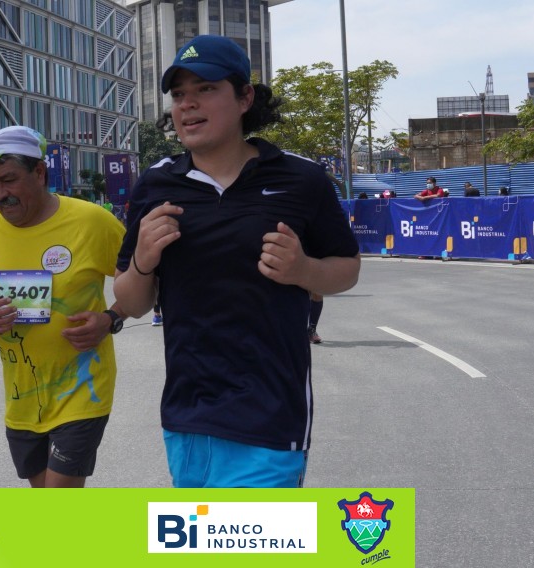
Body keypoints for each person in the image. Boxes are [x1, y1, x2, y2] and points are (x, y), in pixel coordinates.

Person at [112, 35, 361, 488]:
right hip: (187, 413)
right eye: (179, 94)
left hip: (270, 415)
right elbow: (131, 303)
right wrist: (143, 261)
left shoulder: (300, 178)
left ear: (245, 97)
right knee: (202, 532)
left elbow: (347, 267)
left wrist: (304, 271)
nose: (187, 104)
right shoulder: (156, 184)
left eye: (205, 88)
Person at [0, 125, 128, 488]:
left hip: (82, 391)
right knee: (47, 505)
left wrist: (111, 318)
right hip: (23, 400)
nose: (0, 193)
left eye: (9, 180)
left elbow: (144, 285)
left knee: (56, 504)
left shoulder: (92, 222)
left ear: (40, 172)